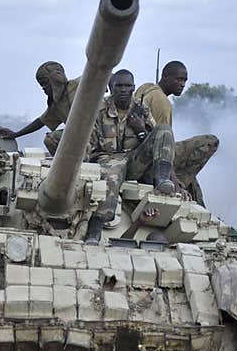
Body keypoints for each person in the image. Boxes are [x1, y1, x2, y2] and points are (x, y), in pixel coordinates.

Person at [84, 69, 175, 245]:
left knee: (164, 130)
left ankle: (162, 177)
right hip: (106, 158)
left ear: (134, 88)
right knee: (112, 172)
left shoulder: (141, 109)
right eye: (119, 86)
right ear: (111, 88)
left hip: (134, 160)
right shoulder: (99, 109)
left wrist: (141, 130)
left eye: (127, 86)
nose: (123, 90)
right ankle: (96, 227)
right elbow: (88, 141)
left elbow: (153, 138)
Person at [134, 60, 218, 206]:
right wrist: (174, 180)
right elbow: (164, 145)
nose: (182, 84)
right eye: (178, 79)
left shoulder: (146, 88)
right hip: (152, 153)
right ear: (165, 77)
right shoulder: (163, 103)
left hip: (141, 148)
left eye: (185, 80)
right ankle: (182, 182)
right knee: (210, 142)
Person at [0, 61, 79, 155]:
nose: (43, 88)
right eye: (41, 85)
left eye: (45, 83)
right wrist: (15, 134)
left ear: (56, 78)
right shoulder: (56, 105)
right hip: (80, 136)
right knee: (51, 139)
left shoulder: (80, 85)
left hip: (96, 130)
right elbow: (41, 121)